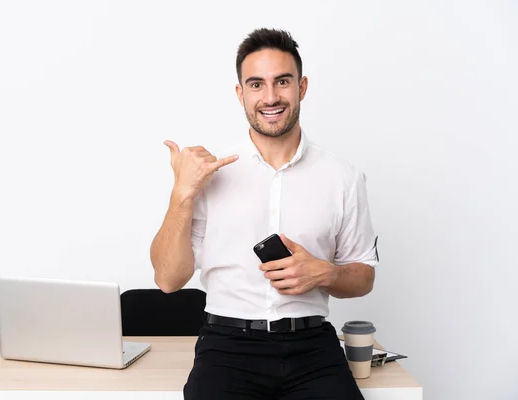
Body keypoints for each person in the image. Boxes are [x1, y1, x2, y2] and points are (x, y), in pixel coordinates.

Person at [150, 28, 379, 400]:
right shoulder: (209, 174)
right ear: (240, 93)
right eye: (256, 84)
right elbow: (167, 279)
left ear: (302, 87)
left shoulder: (344, 177)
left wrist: (327, 273)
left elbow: (364, 276)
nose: (270, 97)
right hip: (227, 349)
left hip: (312, 349)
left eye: (282, 82)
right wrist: (181, 195)